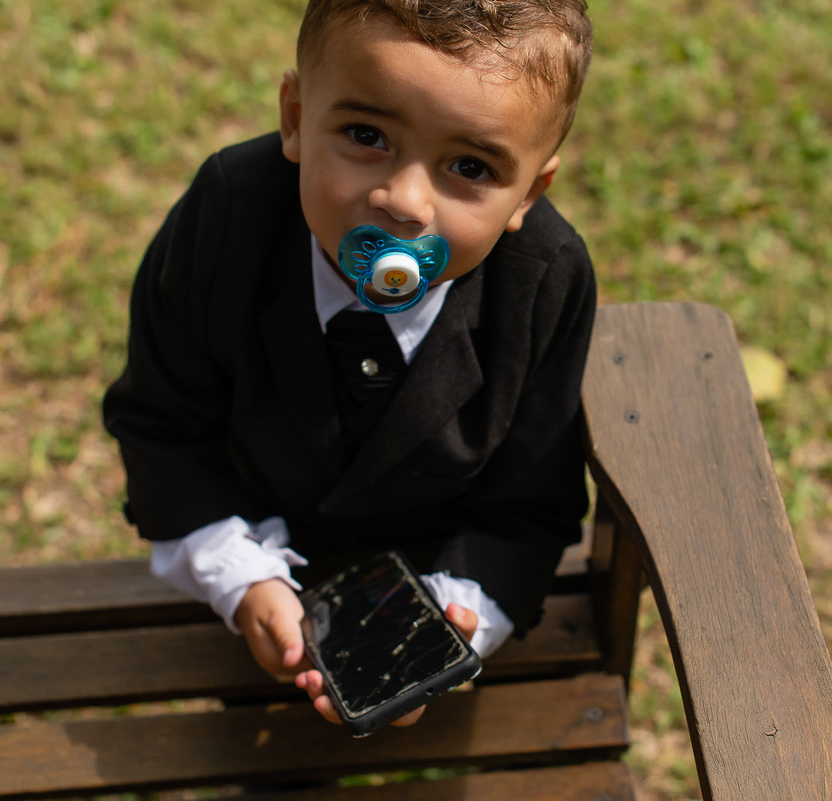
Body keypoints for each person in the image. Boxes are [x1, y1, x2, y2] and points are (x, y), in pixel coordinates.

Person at [103, 0, 595, 728]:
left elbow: (531, 501)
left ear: (529, 192)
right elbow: (162, 425)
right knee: (252, 737)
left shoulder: (544, 279)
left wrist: (451, 627)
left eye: (471, 166)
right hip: (256, 550)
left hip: (438, 573)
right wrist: (241, 578)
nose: (402, 202)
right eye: (368, 136)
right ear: (297, 118)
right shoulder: (228, 217)